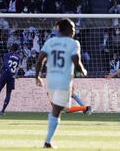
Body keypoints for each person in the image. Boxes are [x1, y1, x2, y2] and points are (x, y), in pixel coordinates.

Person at [35, 19, 87, 148]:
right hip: (64, 81)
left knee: (57, 109)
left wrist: (37, 76)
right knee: (58, 111)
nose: (74, 31)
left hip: (51, 80)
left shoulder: (50, 42)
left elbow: (40, 60)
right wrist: (82, 71)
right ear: (67, 29)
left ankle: (49, 138)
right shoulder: (74, 43)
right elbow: (76, 60)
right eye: (73, 28)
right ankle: (48, 141)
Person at [0, 44, 20, 115]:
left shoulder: (6, 55)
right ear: (17, 50)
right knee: (8, 93)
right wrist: (14, 75)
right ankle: (3, 111)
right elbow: (17, 68)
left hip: (5, 73)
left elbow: (6, 65)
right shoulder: (18, 58)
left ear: (11, 48)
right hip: (12, 76)